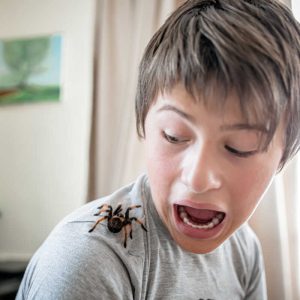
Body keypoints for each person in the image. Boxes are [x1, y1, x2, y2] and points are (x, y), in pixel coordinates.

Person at [17, 0, 300, 299]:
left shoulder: (243, 249)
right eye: (174, 136)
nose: (198, 178)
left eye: (239, 148)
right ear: (144, 126)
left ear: (284, 155)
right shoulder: (88, 261)